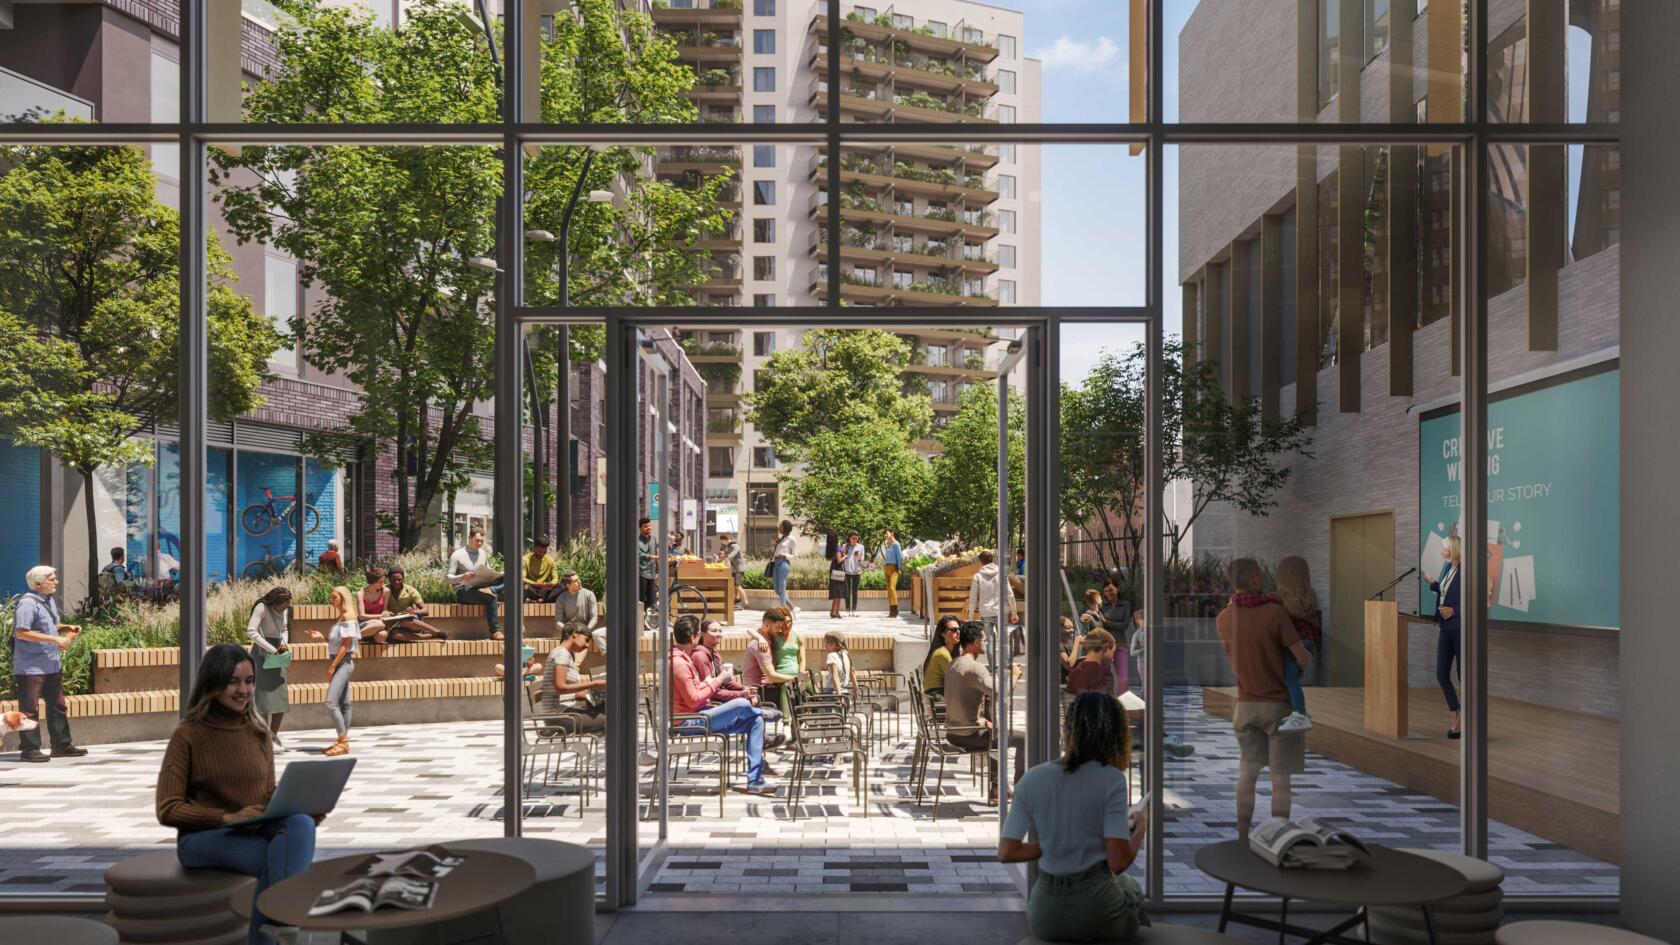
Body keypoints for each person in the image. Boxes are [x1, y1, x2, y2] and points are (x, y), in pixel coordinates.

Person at [157, 643, 318, 945]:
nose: (243, 690)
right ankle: (282, 927)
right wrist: (226, 817)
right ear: (213, 683)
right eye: (233, 682)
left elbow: (266, 795)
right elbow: (168, 808)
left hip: (251, 828)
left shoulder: (259, 733)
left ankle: (279, 927)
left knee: (301, 823)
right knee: (274, 858)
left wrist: (302, 805)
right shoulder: (188, 734)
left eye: (249, 681)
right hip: (202, 837)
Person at [998, 692, 1148, 943]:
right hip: (1096, 908)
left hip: (1044, 915)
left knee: (1123, 884)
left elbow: (1006, 852)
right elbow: (1118, 862)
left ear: (1069, 730)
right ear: (1117, 733)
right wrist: (1140, 827)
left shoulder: (1033, 777)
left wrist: (1056, 843)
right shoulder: (1111, 779)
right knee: (1131, 889)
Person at [1215, 558, 1312, 839]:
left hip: (1245, 705)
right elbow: (1302, 658)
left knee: (1247, 774)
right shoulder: (1276, 614)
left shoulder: (1224, 618)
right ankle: (1277, 838)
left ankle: (1242, 835)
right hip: (1280, 707)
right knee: (1280, 781)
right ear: (1256, 578)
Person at [670, 618, 774, 795]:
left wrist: (707, 683)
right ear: (694, 637)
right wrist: (717, 681)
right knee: (741, 704)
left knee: (755, 722)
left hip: (701, 713)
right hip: (688, 721)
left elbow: (695, 692)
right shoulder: (679, 663)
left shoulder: (685, 658)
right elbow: (693, 700)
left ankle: (755, 781)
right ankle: (761, 712)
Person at [945, 621, 1026, 806]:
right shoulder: (975, 668)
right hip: (968, 734)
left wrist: (981, 720)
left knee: (994, 731)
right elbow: (1000, 692)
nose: (987, 643)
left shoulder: (953, 663)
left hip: (953, 732)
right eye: (984, 640)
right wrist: (1014, 675)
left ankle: (997, 787)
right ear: (975, 642)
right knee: (1024, 739)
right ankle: (1020, 791)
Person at [10, 566, 86, 762]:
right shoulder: (27, 604)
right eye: (51, 579)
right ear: (37, 584)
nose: (56, 582)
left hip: (51, 664)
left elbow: (49, 626)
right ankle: (29, 749)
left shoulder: (48, 601)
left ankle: (62, 745)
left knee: (58, 706)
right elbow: (21, 632)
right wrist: (54, 639)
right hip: (31, 667)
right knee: (29, 709)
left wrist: (65, 628)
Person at [304, 586, 360, 757]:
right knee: (344, 702)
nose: (331, 600)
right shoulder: (341, 617)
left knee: (330, 703)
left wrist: (332, 666)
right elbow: (336, 643)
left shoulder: (348, 617)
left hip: (343, 663)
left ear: (343, 598)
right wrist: (322, 637)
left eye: (334, 597)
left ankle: (343, 742)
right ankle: (342, 740)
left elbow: (346, 645)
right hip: (338, 661)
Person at [1274, 555, 1322, 734]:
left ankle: (1299, 714)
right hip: (1308, 642)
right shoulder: (1308, 595)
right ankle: (1298, 707)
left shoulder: (1284, 599)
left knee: (1289, 678)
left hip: (1296, 643)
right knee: (1290, 678)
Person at [1424, 536, 1464, 739]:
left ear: (1454, 549)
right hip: (1445, 627)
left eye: (1445, 549)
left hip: (1460, 629)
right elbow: (1444, 592)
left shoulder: (1466, 571)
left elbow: (1473, 600)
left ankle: (1464, 720)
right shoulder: (1449, 568)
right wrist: (1433, 583)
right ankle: (1458, 712)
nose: (1442, 552)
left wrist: (1454, 611)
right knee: (1441, 673)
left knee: (1463, 675)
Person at [541, 622, 607, 733]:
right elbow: (560, 688)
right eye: (586, 640)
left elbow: (560, 693)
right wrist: (593, 684)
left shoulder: (565, 654)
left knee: (603, 709)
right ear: (575, 634)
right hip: (557, 715)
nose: (587, 645)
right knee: (609, 720)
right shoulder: (561, 654)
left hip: (561, 711)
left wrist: (589, 695)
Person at [245, 587, 293, 740]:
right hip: (261, 655)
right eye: (283, 605)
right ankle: (265, 738)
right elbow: (251, 631)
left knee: (281, 699)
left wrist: (284, 646)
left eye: (287, 605)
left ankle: (273, 736)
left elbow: (284, 629)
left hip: (278, 654)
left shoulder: (285, 609)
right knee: (263, 701)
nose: (285, 609)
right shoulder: (262, 607)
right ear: (276, 602)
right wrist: (272, 650)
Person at [360, 567, 446, 643]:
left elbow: (425, 611)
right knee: (395, 635)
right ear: (389, 579)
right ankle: (427, 637)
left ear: (403, 578)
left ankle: (437, 632)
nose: (397, 582)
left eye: (399, 579)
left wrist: (414, 612)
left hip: (412, 622)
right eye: (393, 580)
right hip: (395, 625)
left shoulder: (410, 590)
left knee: (405, 622)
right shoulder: (384, 590)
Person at [447, 528, 504, 638]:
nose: (479, 543)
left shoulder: (483, 553)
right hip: (464, 590)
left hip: (482, 587)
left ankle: (492, 589)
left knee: (510, 578)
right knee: (491, 596)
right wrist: (463, 576)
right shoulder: (457, 555)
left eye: (482, 541)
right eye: (477, 540)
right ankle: (495, 631)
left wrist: (497, 574)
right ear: (469, 538)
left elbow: (487, 570)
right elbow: (448, 578)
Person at [745, 607, 799, 715]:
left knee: (797, 690)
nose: (779, 630)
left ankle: (793, 720)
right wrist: (795, 679)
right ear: (767, 624)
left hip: (765, 687)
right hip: (758, 691)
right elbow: (771, 676)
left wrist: (759, 637)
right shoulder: (761, 646)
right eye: (777, 627)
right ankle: (788, 721)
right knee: (790, 691)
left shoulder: (765, 638)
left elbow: (751, 630)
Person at [964, 550, 1019, 655]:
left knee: (988, 642)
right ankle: (1005, 663)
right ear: (993, 560)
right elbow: (1010, 594)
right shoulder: (1001, 575)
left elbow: (972, 598)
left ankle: (991, 664)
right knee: (1003, 641)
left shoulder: (977, 576)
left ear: (981, 562)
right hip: (1000, 612)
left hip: (985, 613)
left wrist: (971, 616)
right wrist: (1014, 613)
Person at [1067, 628, 1126, 697]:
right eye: (1113, 652)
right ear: (1105, 647)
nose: (1113, 659)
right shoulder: (1103, 675)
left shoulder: (1074, 673)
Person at [921, 615, 962, 697]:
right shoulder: (943, 654)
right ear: (943, 634)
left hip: (937, 693)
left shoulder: (947, 651)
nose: (958, 632)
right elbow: (954, 680)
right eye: (954, 630)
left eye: (959, 629)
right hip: (936, 695)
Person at [353, 568, 392, 643]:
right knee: (379, 625)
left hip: (378, 623)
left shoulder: (386, 591)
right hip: (364, 624)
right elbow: (361, 616)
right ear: (373, 581)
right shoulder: (361, 594)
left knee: (383, 635)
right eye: (380, 582)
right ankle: (354, 637)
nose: (383, 584)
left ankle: (359, 638)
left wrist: (385, 613)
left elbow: (384, 609)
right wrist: (381, 616)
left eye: (383, 581)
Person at [522, 536, 562, 603]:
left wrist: (549, 584)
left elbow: (555, 579)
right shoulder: (525, 560)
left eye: (544, 552)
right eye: (540, 551)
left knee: (561, 586)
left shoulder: (550, 561)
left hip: (544, 590)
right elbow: (522, 578)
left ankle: (541, 600)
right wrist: (535, 584)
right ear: (534, 548)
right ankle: (539, 600)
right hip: (531, 589)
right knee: (523, 587)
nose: (542, 554)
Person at [771, 519, 797, 611]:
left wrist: (785, 555)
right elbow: (775, 552)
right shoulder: (781, 538)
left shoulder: (792, 539)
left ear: (785, 528)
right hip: (776, 563)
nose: (779, 527)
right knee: (777, 589)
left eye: (781, 526)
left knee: (782, 587)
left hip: (783, 563)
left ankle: (783, 610)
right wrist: (775, 545)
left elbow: (795, 555)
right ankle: (792, 608)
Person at [718, 533, 749, 609]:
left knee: (738, 585)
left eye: (722, 541)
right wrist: (721, 558)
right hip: (734, 569)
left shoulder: (735, 546)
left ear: (724, 539)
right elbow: (726, 555)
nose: (722, 543)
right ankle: (737, 600)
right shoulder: (729, 546)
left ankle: (746, 602)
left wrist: (724, 559)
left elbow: (731, 555)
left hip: (739, 568)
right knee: (734, 585)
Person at [880, 529, 904, 618]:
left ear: (892, 534)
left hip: (894, 568)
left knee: (892, 588)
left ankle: (895, 610)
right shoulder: (889, 545)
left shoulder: (896, 544)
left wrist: (899, 568)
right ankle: (891, 612)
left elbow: (900, 557)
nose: (885, 535)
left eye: (886, 533)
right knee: (889, 590)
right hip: (887, 568)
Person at [637, 518, 659, 612]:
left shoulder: (653, 539)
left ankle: (648, 618)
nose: (648, 527)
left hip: (652, 573)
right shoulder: (637, 540)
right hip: (642, 573)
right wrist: (652, 557)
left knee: (652, 600)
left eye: (649, 525)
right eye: (645, 526)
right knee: (642, 599)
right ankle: (641, 618)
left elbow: (656, 554)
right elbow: (639, 555)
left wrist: (658, 569)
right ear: (640, 528)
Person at [841, 532, 864, 616]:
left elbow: (862, 561)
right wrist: (844, 554)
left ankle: (854, 610)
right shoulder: (845, 546)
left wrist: (859, 557)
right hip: (846, 571)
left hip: (856, 572)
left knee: (855, 592)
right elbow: (841, 558)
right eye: (853, 538)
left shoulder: (861, 547)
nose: (855, 540)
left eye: (856, 538)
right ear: (849, 538)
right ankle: (847, 610)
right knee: (847, 592)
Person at [827, 535, 846, 619]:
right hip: (838, 569)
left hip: (833, 568)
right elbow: (839, 561)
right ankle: (837, 612)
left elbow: (832, 558)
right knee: (839, 592)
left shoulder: (830, 547)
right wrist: (845, 556)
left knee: (835, 591)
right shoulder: (837, 547)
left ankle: (832, 611)